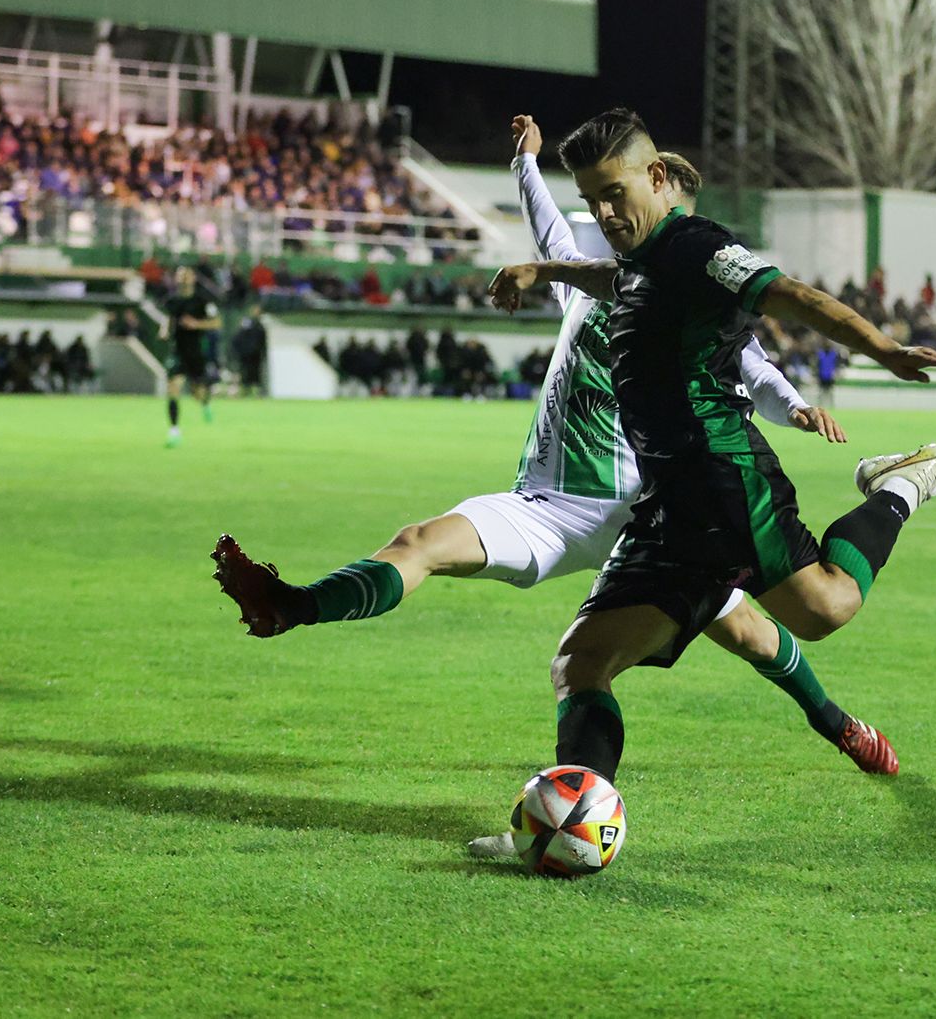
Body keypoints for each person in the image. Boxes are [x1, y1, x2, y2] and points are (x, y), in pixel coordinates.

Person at [212, 114, 896, 807]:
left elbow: (756, 369)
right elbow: (550, 235)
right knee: (422, 543)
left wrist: (799, 405)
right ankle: (294, 604)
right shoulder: (594, 284)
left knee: (752, 629)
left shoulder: (694, 304)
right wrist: (525, 164)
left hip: (647, 512)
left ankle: (837, 724)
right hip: (549, 506)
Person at [481, 108, 936, 805]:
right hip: (663, 506)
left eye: (613, 193)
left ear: (656, 177)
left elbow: (792, 296)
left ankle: (903, 484)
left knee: (825, 608)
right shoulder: (640, 259)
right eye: (591, 199)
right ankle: (571, 822)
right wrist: (543, 267)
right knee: (581, 661)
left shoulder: (698, 248)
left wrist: (885, 349)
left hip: (722, 480)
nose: (604, 211)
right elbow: (613, 280)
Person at [159, 266, 221, 447]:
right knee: (173, 389)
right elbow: (167, 319)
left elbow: (216, 322)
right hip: (178, 352)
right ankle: (174, 430)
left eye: (187, 276)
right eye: (180, 275)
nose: (184, 279)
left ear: (193, 278)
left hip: (196, 353)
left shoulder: (202, 301)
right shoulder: (171, 300)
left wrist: (196, 324)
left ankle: (205, 403)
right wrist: (164, 330)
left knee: (197, 392)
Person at [232, 306, 268, 396]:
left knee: (256, 373)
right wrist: (239, 350)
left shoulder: (261, 326)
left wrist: (263, 353)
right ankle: (245, 391)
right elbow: (238, 337)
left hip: (256, 355)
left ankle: (255, 392)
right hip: (245, 354)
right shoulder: (246, 323)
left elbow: (263, 342)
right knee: (245, 372)